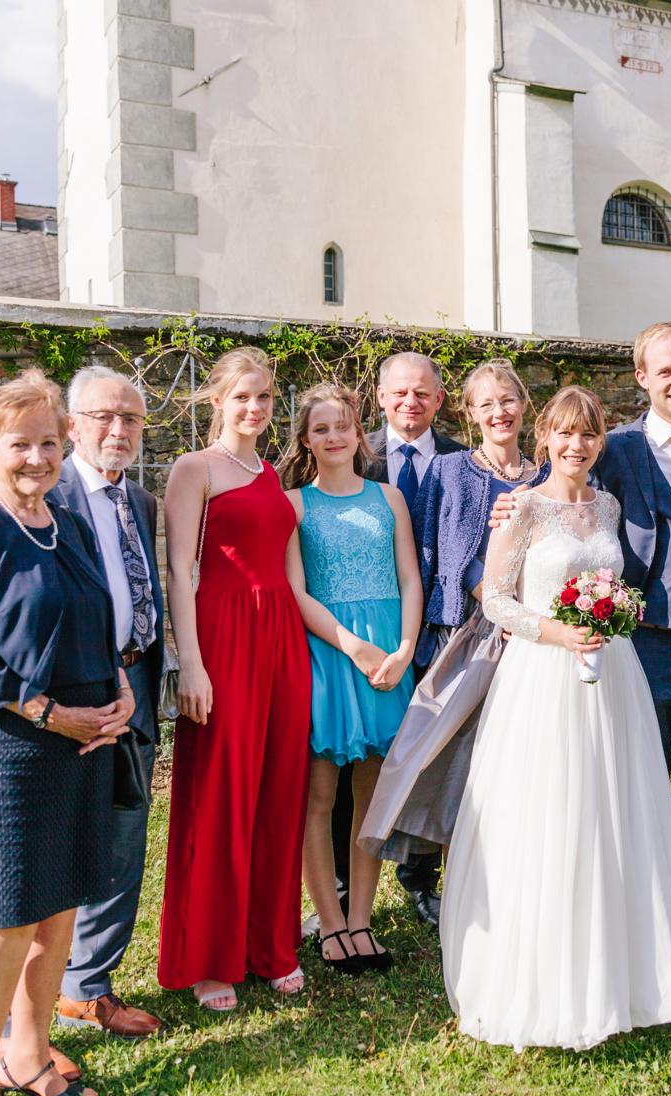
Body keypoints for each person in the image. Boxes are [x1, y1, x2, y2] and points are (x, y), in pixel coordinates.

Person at [441, 386, 671, 1050]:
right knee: (552, 811)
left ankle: (628, 973)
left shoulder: (608, 504)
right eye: (564, 433)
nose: (576, 445)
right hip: (542, 678)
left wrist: (611, 616)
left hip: (611, 672)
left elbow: (617, 581)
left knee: (615, 808)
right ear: (545, 438)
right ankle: (547, 982)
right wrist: (556, 632)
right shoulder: (524, 508)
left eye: (588, 434)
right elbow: (495, 599)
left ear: (599, 442)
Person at [493, 323, 671, 996]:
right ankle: (630, 947)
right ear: (642, 378)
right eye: (665, 371)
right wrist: (513, 501)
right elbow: (563, 487)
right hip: (644, 649)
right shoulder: (620, 449)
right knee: (630, 800)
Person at [0, 366, 166, 1045]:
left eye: (131, 418)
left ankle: (82, 993)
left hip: (115, 701)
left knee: (103, 861)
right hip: (21, 728)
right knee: (14, 900)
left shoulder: (129, 505)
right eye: (103, 416)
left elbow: (121, 604)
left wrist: (124, 688)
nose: (118, 429)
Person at [157, 347, 312, 1011]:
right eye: (242, 396)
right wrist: (190, 663)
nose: (254, 408)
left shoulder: (270, 472)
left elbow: (287, 568)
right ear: (217, 399)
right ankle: (210, 958)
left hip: (282, 639)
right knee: (220, 793)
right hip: (223, 637)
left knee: (279, 793)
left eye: (265, 397)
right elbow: (179, 571)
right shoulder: (193, 468)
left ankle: (270, 947)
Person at [359, 361, 539, 868]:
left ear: (524, 405)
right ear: (468, 411)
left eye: (508, 400)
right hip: (461, 632)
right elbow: (436, 552)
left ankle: (503, 869)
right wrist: (498, 602)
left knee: (510, 757)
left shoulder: (545, 475)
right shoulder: (450, 469)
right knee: (439, 758)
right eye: (486, 403)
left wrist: (529, 618)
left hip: (530, 635)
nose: (499, 412)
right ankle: (425, 878)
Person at [280, 383, 421, 975]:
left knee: (372, 794)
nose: (334, 436)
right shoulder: (294, 505)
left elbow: (410, 578)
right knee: (320, 795)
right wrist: (351, 644)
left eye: (343, 425)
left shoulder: (389, 498)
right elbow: (295, 590)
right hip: (330, 652)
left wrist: (404, 649)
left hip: (389, 652)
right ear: (306, 441)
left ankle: (362, 919)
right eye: (321, 429)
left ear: (360, 433)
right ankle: (330, 922)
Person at [354, 351, 467, 928]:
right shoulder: (355, 454)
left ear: (439, 400)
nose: (410, 402)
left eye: (422, 392)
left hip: (442, 632)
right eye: (399, 392)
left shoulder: (461, 461)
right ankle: (347, 884)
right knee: (359, 756)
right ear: (380, 397)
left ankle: (422, 880)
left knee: (434, 756)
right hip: (370, 631)